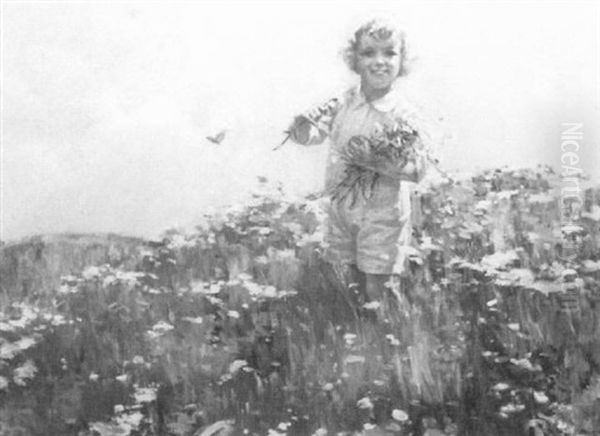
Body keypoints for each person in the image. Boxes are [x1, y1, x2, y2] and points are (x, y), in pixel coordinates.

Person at [287, 19, 441, 312]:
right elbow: (311, 137)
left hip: (382, 214)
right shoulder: (342, 102)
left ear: (402, 60)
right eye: (368, 53)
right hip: (342, 209)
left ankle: (392, 338)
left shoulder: (404, 114)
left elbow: (418, 169)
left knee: (377, 287)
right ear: (354, 60)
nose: (379, 62)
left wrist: (373, 159)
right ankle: (358, 340)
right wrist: (300, 126)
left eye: (389, 53)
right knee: (346, 281)